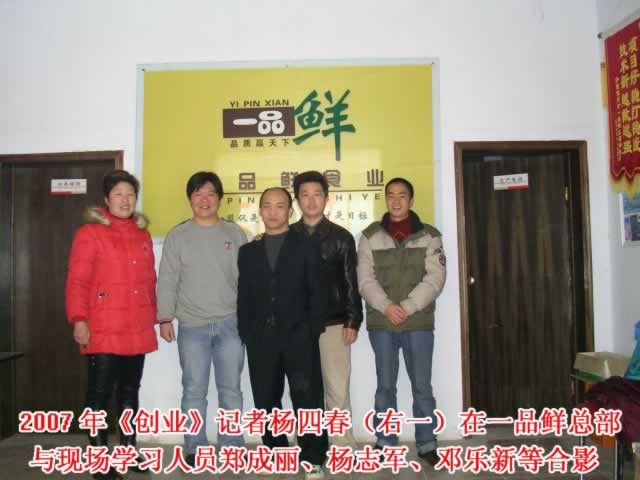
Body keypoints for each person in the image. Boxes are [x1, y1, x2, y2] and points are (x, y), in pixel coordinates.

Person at [66, 169, 158, 480]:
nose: (125, 200)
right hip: (103, 326)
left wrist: (154, 316)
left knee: (130, 393)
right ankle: (98, 458)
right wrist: (79, 319)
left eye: (130, 194)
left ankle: (128, 450)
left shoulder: (142, 234)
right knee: (100, 395)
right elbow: (78, 282)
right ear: (106, 199)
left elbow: (149, 281)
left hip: (136, 326)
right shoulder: (89, 233)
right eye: (118, 194)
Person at [237, 187, 328, 480]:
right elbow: (244, 296)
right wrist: (247, 332)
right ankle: (276, 452)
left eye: (280, 206)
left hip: (300, 337)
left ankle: (313, 457)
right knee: (266, 399)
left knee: (307, 398)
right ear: (260, 211)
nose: (273, 211)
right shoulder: (248, 252)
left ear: (290, 210)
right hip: (261, 339)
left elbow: (318, 293)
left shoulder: (307, 246)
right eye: (267, 205)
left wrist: (311, 330)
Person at [157, 171, 247, 465]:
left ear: (219, 198)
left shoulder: (234, 233)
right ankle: (194, 446)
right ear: (190, 199)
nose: (204, 200)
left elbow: (246, 279)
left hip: (230, 324)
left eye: (210, 194)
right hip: (192, 326)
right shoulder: (178, 235)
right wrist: (165, 318)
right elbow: (167, 279)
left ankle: (231, 444)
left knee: (231, 390)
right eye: (198, 194)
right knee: (194, 390)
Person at [357, 177, 446, 466]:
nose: (396, 201)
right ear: (386, 199)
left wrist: (406, 307)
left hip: (418, 322)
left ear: (411, 200)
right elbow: (364, 280)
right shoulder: (370, 236)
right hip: (382, 323)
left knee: (422, 386)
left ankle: (427, 443)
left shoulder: (429, 235)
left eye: (402, 195)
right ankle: (385, 440)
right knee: (385, 385)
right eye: (391, 195)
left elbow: (435, 278)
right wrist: (387, 306)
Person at [291, 171, 362, 448]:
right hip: (298, 326)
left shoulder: (341, 237)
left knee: (337, 389)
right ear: (297, 200)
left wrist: (352, 321)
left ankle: (342, 445)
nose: (311, 201)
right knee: (304, 390)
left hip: (334, 324)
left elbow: (350, 282)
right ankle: (310, 447)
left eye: (317, 194)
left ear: (326, 198)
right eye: (305, 195)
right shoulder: (288, 235)